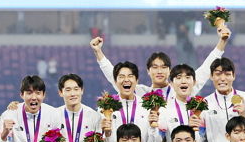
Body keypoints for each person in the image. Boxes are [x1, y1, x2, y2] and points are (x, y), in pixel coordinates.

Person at [89, 24, 230, 98]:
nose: (159, 71)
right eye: (155, 67)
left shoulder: (181, 89)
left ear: (169, 71)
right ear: (148, 71)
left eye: (163, 67)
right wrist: (98, 52)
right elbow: (114, 78)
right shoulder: (140, 93)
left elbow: (206, 69)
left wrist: (222, 42)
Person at [0, 75, 60, 142]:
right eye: (29, 93)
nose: (34, 97)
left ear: (44, 95)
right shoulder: (9, 114)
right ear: (21, 95)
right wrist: (4, 133)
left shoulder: (53, 114)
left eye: (38, 93)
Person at [201, 58, 245, 142]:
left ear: (234, 76)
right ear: (211, 76)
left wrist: (244, 116)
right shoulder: (205, 104)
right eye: (218, 74)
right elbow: (202, 139)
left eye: (227, 74)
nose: (222, 78)